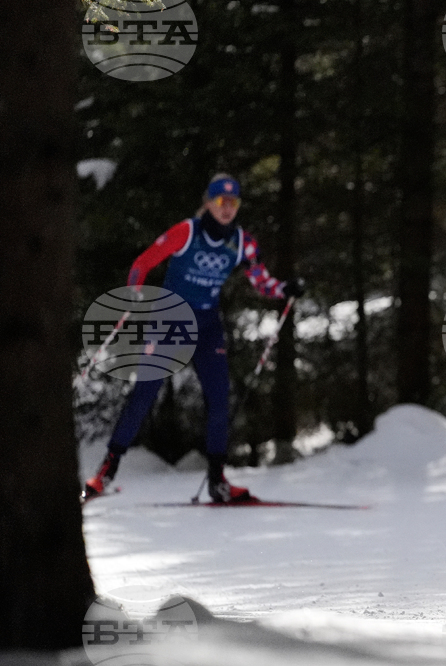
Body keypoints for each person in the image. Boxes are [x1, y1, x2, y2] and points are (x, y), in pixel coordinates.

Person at [83, 174, 305, 503]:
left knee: (219, 398)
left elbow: (261, 281)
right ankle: (106, 471)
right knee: (145, 393)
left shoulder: (242, 242)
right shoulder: (187, 232)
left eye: (233, 203)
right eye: (221, 202)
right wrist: (132, 294)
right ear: (209, 203)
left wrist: (285, 289)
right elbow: (143, 262)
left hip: (207, 323)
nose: (227, 208)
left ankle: (217, 481)